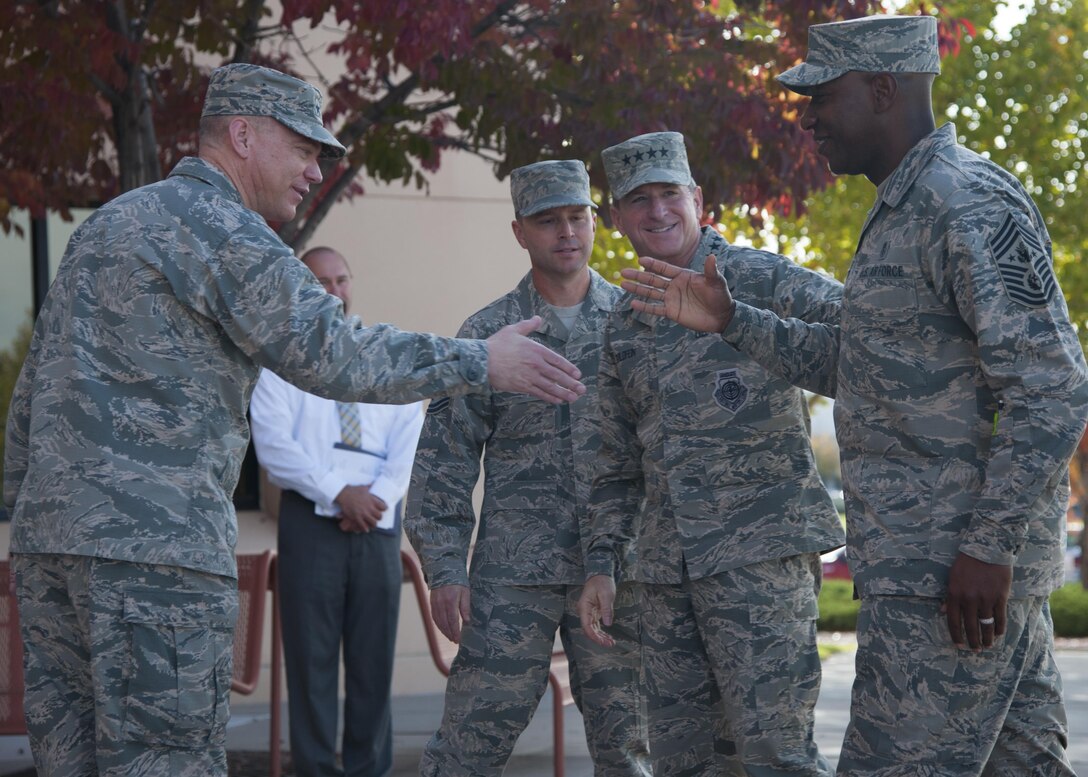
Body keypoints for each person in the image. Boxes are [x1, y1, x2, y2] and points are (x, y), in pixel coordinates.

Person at [2, 63, 585, 777]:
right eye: (305, 149)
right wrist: (477, 360)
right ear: (242, 136)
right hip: (153, 562)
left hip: (48, 555)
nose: (316, 171)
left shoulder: (105, 226)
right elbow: (334, 348)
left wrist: (29, 514)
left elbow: (28, 401)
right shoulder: (220, 229)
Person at [617, 15, 1088, 776]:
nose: (809, 119)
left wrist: (986, 545)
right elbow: (857, 366)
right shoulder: (901, 209)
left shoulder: (963, 202)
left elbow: (1053, 387)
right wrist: (735, 321)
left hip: (949, 580)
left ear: (880, 90)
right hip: (934, 573)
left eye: (822, 98)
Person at [577, 131, 845, 777]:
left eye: (669, 194)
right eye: (638, 200)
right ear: (617, 217)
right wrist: (600, 564)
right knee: (683, 760)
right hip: (666, 572)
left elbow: (859, 332)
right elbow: (613, 461)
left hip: (761, 555)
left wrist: (747, 324)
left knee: (775, 755)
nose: (657, 211)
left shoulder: (757, 276)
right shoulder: (624, 320)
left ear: (697, 199)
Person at [406, 160, 651, 777]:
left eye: (578, 217)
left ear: (597, 223)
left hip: (617, 570)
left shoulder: (638, 324)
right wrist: (443, 569)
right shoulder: (490, 334)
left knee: (631, 748)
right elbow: (444, 462)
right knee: (467, 746)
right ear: (520, 232)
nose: (566, 232)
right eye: (548, 221)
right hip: (513, 577)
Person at [249, 245, 423, 777]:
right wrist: (336, 492)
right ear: (300, 286)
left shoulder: (383, 352)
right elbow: (274, 444)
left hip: (378, 524)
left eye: (341, 279)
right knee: (311, 666)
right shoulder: (279, 361)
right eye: (320, 281)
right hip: (311, 524)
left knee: (373, 666)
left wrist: (376, 499)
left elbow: (408, 430)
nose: (333, 291)